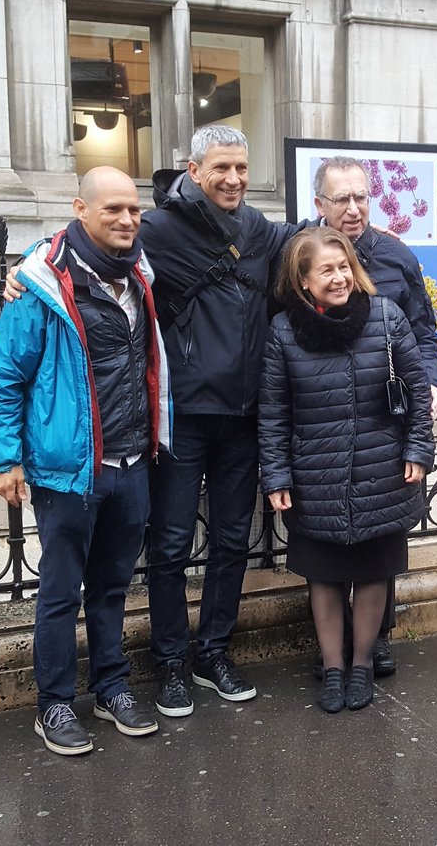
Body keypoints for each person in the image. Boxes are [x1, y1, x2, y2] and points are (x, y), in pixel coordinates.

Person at [0, 166, 171, 756]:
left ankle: (112, 687)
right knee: (62, 592)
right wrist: (6, 458)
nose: (127, 219)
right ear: (80, 209)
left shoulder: (139, 271)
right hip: (69, 472)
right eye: (113, 208)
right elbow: (4, 376)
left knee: (113, 587)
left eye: (134, 209)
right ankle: (55, 703)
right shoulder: (40, 285)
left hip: (132, 462)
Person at [138, 125, 308, 717]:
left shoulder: (257, 229)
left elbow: (311, 242)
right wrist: (27, 267)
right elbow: (88, 244)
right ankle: (169, 662)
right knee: (170, 544)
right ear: (193, 169)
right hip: (184, 416)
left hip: (243, 416)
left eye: (241, 168)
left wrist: (364, 231)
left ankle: (212, 652)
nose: (234, 179)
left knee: (233, 541)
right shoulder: (157, 229)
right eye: (221, 168)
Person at [258, 227, 435, 712]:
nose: (339, 278)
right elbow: (274, 413)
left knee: (375, 572)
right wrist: (277, 476)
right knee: (325, 576)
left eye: (344, 268)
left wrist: (417, 450)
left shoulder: (386, 316)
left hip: (383, 471)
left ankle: (361, 667)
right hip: (315, 475)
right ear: (303, 280)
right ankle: (333, 669)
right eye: (326, 271)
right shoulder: (284, 331)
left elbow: (417, 392)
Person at [310, 156, 437, 677]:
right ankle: (332, 648)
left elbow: (424, 332)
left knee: (382, 533)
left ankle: (376, 637)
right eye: (341, 199)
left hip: (382, 419)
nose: (353, 208)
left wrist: (432, 382)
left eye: (361, 197)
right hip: (324, 422)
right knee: (326, 542)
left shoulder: (395, 256)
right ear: (320, 204)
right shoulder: (300, 251)